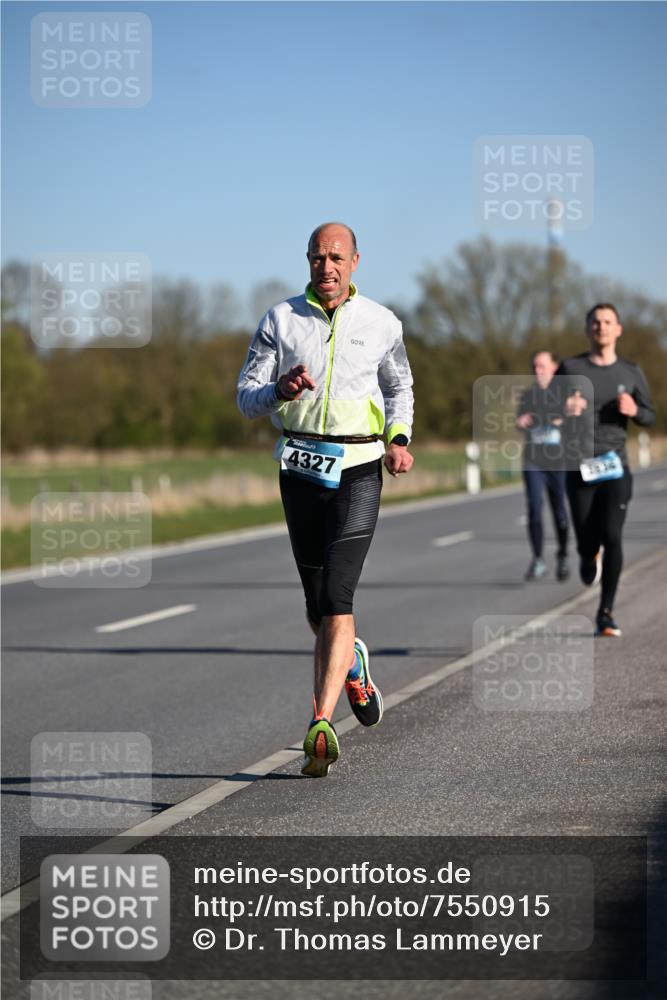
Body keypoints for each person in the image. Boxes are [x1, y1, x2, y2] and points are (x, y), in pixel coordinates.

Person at [237, 222, 414, 776]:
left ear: (356, 260)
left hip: (361, 465)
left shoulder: (382, 322)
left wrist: (398, 437)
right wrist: (278, 390)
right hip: (300, 467)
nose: (327, 267)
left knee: (339, 596)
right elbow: (245, 398)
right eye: (318, 258)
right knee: (318, 606)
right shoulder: (281, 320)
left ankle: (319, 723)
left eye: (336, 257)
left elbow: (399, 386)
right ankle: (354, 664)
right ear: (308, 261)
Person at [558, 303, 655, 636]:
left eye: (607, 321)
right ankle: (588, 556)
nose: (601, 327)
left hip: (615, 466)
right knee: (587, 540)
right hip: (578, 466)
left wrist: (635, 410)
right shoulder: (570, 368)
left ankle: (606, 612)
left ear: (618, 329)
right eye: (595, 322)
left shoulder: (631, 371)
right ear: (587, 329)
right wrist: (563, 408)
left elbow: (650, 415)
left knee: (613, 535)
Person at [516, 350, 570, 582]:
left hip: (558, 461)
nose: (537, 370)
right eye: (534, 366)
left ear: (554, 368)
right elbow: (521, 421)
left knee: (559, 509)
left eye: (541, 366)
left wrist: (551, 417)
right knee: (534, 508)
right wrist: (521, 421)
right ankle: (538, 559)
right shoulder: (528, 395)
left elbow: (570, 419)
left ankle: (563, 554)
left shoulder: (563, 394)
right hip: (533, 460)